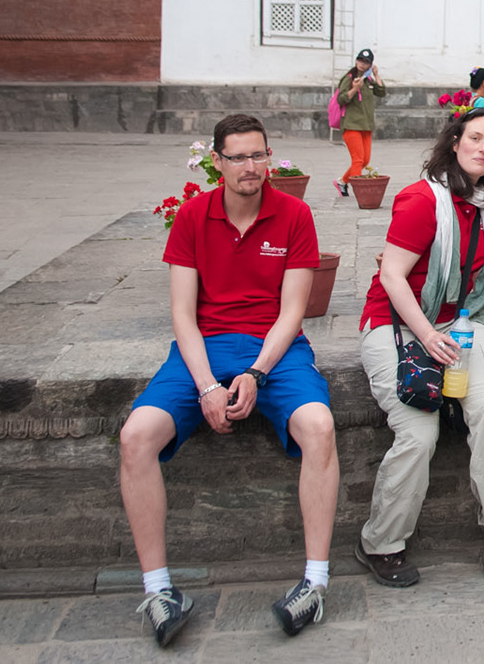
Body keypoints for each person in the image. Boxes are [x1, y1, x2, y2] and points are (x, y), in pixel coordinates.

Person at [118, 113, 337, 645]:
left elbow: (292, 311)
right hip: (204, 346)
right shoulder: (193, 216)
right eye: (237, 157)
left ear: (270, 157)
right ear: (217, 161)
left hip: (275, 349)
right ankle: (158, 590)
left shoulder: (294, 215)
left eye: (258, 155)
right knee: (135, 437)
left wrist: (257, 372)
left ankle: (315, 583)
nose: (250, 167)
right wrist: (208, 386)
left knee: (320, 427)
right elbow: (182, 315)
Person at [355, 108, 484, 587]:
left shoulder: (482, 203)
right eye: (475, 138)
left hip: (457, 323)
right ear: (455, 142)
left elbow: (473, 274)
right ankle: (381, 542)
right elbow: (392, 276)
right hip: (398, 325)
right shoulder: (422, 201)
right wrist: (425, 334)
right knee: (419, 433)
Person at [334, 49, 381, 196]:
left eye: (366, 62)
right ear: (356, 61)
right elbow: (341, 99)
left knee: (365, 160)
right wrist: (355, 88)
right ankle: (360, 192)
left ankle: (342, 181)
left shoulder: (368, 80)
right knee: (358, 160)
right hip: (351, 124)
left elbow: (381, 92)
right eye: (360, 60)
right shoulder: (349, 78)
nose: (362, 64)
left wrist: (376, 75)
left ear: (370, 65)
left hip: (366, 125)